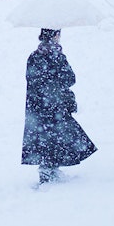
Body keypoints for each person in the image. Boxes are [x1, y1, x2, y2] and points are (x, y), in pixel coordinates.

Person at [21, 28, 97, 184]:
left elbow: (32, 79)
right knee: (58, 136)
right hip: (54, 105)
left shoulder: (34, 56)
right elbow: (69, 79)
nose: (59, 37)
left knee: (44, 137)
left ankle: (49, 170)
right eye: (58, 34)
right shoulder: (55, 55)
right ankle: (49, 173)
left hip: (38, 106)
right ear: (53, 35)